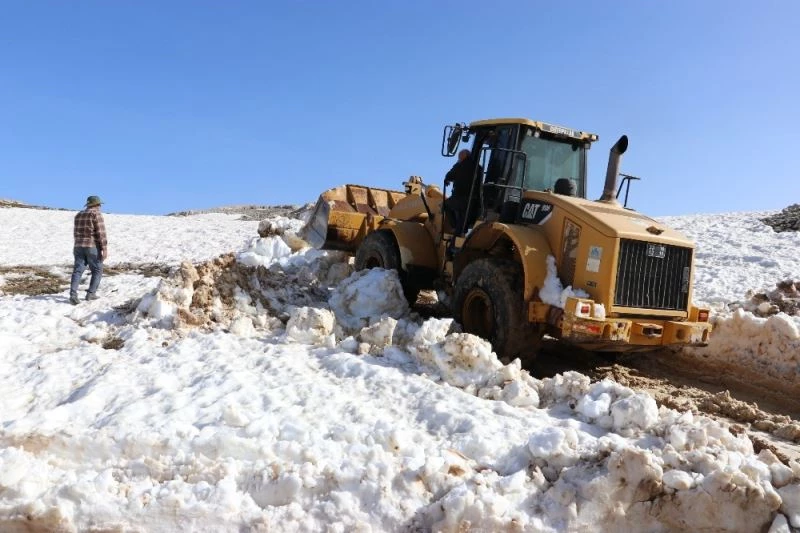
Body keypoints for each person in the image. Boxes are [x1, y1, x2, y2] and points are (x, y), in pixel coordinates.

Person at [69, 195, 108, 305]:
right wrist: (104, 248)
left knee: (78, 270)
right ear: (97, 204)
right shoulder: (96, 214)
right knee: (97, 269)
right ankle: (91, 293)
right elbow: (101, 233)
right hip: (92, 245)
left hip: (78, 246)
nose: (100, 206)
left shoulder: (78, 215)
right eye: (100, 204)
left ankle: (73, 294)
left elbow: (75, 232)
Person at [444, 149, 482, 234]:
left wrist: (447, 179)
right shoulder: (479, 167)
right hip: (474, 199)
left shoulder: (460, 165)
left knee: (445, 205)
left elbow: (450, 175)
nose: (459, 158)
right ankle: (461, 230)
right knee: (464, 216)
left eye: (459, 156)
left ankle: (455, 227)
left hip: (460, 197)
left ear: (464, 156)